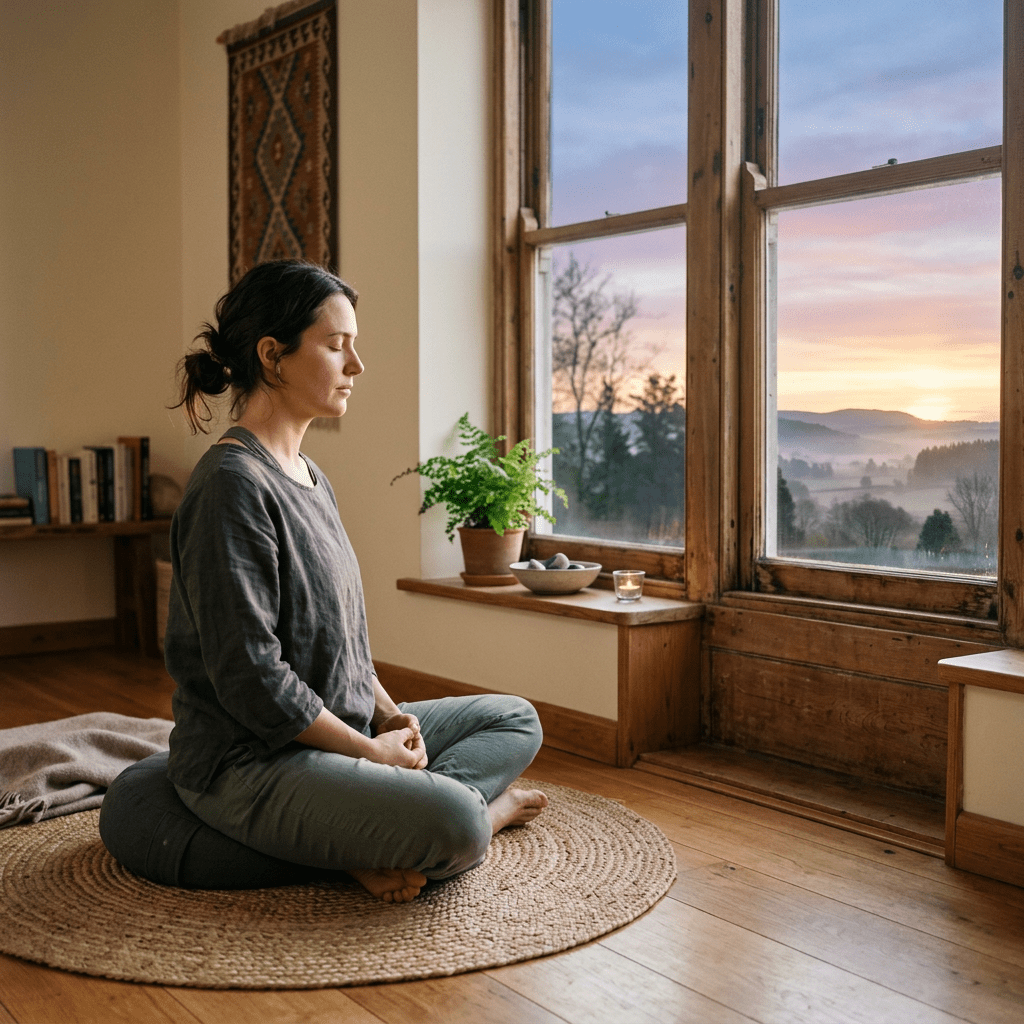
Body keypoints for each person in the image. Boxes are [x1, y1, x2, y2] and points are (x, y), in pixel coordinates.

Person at [161, 259, 547, 902]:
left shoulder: (311, 477)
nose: (357, 365)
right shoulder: (230, 486)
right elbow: (252, 678)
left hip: (339, 735)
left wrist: (391, 716)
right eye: (337, 345)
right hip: (251, 760)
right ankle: (461, 818)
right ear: (273, 356)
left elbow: (341, 642)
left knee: (515, 719)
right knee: (456, 823)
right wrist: (370, 757)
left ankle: (364, 833)